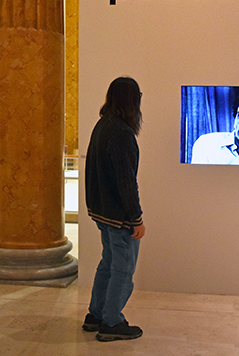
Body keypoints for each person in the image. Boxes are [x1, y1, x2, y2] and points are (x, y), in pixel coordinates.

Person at [83, 76, 147, 342]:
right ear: (132, 101)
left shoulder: (103, 125)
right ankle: (111, 322)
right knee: (123, 269)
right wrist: (137, 218)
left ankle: (95, 315)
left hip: (102, 212)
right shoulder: (122, 133)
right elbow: (126, 182)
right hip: (119, 217)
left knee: (108, 263)